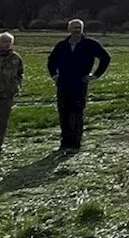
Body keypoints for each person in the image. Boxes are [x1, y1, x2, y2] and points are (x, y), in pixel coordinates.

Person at [47, 19, 111, 154]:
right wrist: (54, 75)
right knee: (63, 113)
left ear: (82, 29)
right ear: (69, 29)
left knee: (76, 113)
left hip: (79, 83)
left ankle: (75, 145)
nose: (76, 30)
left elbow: (105, 58)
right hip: (63, 83)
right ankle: (64, 143)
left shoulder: (90, 44)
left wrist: (95, 75)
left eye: (79, 28)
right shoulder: (62, 45)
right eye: (74, 28)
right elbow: (51, 60)